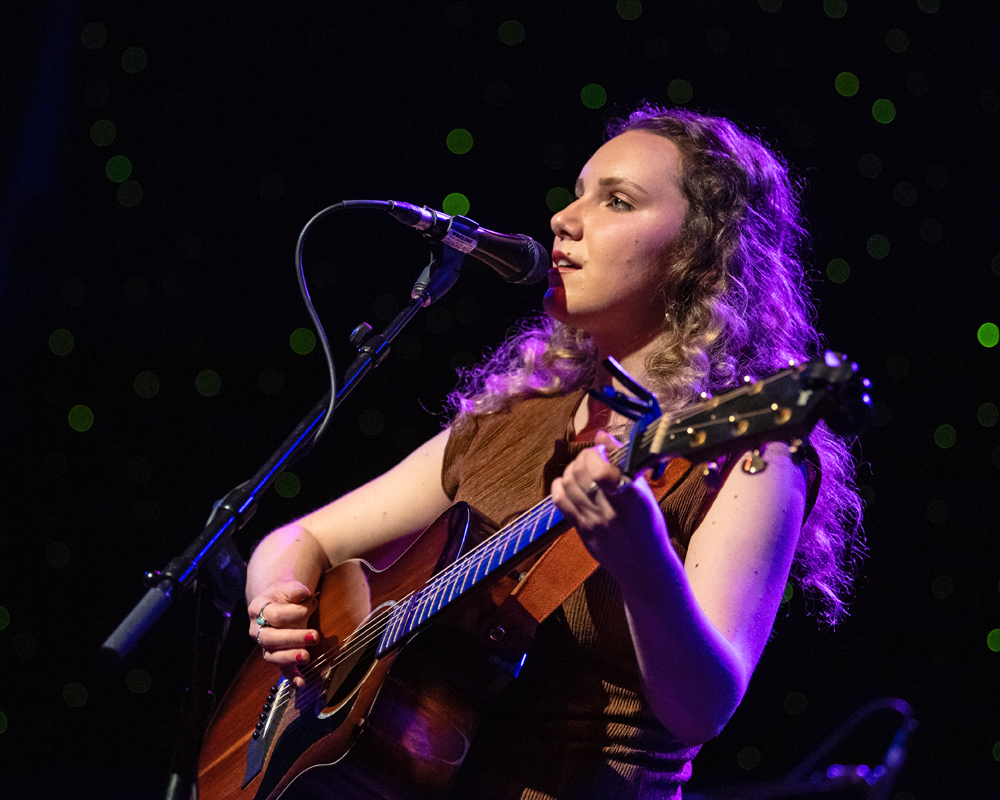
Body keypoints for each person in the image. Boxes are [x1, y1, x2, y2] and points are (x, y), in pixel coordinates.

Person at [244, 104, 863, 799]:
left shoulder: (752, 455)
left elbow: (702, 710)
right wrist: (276, 603)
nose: (564, 220)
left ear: (700, 252)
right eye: (578, 194)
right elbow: (298, 539)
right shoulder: (514, 414)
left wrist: (643, 563)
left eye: (617, 201)